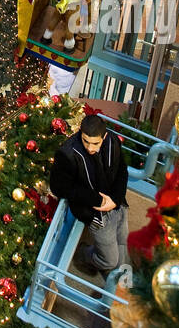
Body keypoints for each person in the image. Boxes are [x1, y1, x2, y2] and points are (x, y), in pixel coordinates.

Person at [50, 113, 128, 278]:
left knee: (122, 244)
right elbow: (59, 188)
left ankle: (115, 280)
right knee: (110, 261)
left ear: (104, 136)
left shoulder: (112, 141)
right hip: (95, 214)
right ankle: (83, 256)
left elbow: (121, 169)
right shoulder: (67, 153)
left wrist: (116, 199)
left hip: (117, 203)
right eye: (86, 141)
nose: (90, 148)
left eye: (95, 143)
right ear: (80, 133)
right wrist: (98, 201)